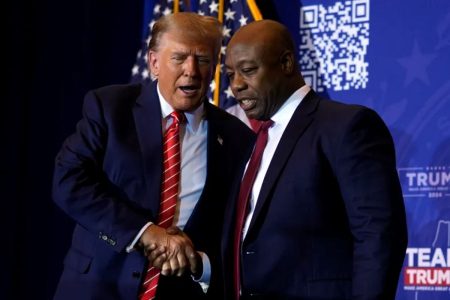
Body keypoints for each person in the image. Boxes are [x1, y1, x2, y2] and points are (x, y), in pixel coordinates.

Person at [52, 12, 255, 300]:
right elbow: (68, 181)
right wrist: (145, 232)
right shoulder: (110, 108)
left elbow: (234, 233)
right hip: (97, 287)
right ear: (154, 62)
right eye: (179, 58)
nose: (192, 70)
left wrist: (200, 264)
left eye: (203, 59)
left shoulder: (237, 138)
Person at [222, 20, 408, 300]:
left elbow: (378, 236)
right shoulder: (249, 141)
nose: (236, 85)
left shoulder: (346, 126)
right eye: (230, 75)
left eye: (248, 71)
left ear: (286, 63)